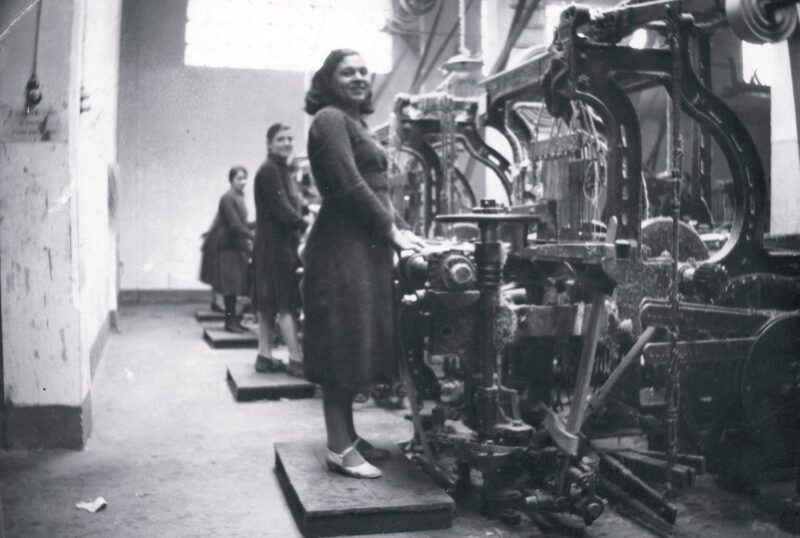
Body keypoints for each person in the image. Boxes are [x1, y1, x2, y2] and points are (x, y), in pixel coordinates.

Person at [302, 49, 424, 480]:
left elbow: (378, 191)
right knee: (342, 343)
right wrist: (391, 231)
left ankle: (349, 435)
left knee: (357, 340)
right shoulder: (329, 120)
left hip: (363, 251)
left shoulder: (355, 123)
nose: (358, 77)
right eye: (346, 72)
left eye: (362, 71)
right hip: (340, 251)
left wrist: (405, 231)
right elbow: (348, 184)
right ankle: (338, 447)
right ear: (328, 81)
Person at [252, 123, 307, 375]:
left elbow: (289, 203)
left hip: (270, 246)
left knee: (268, 304)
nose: (287, 143)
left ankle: (264, 356)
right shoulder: (270, 171)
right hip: (277, 247)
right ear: (269, 144)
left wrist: (304, 211)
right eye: (281, 139)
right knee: (286, 303)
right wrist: (304, 223)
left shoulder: (279, 170)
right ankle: (296, 359)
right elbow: (281, 208)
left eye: (290, 139)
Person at [200, 166, 254, 333]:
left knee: (235, 286)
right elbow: (235, 225)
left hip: (235, 246)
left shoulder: (239, 197)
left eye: (245, 178)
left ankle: (234, 320)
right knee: (230, 287)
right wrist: (253, 236)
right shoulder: (228, 198)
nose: (243, 182)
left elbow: (240, 223)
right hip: (228, 246)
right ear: (231, 180)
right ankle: (230, 322)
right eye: (239, 178)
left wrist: (257, 225)